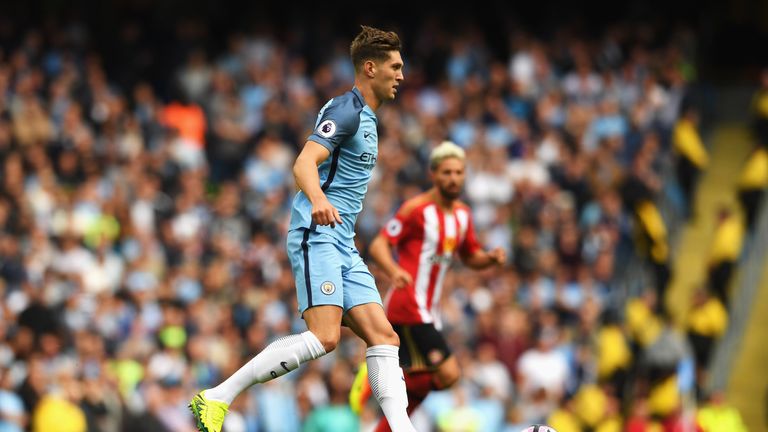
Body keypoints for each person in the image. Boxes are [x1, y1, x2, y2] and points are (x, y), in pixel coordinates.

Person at [189, 25, 417, 432]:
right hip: (318, 234)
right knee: (325, 337)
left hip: (343, 243)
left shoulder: (368, 118)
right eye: (395, 66)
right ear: (370, 67)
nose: (401, 75)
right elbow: (303, 163)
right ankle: (217, 397)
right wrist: (318, 200)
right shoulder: (345, 110)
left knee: (384, 335)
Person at [349, 141, 506, 431]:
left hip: (429, 309)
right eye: (446, 172)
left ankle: (383, 409)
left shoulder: (462, 215)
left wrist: (489, 259)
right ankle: (375, 381)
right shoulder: (416, 209)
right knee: (449, 374)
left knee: (426, 381)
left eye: (458, 172)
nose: (453, 178)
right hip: (407, 303)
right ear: (433, 174)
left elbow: (470, 256)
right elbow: (380, 244)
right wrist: (393, 269)